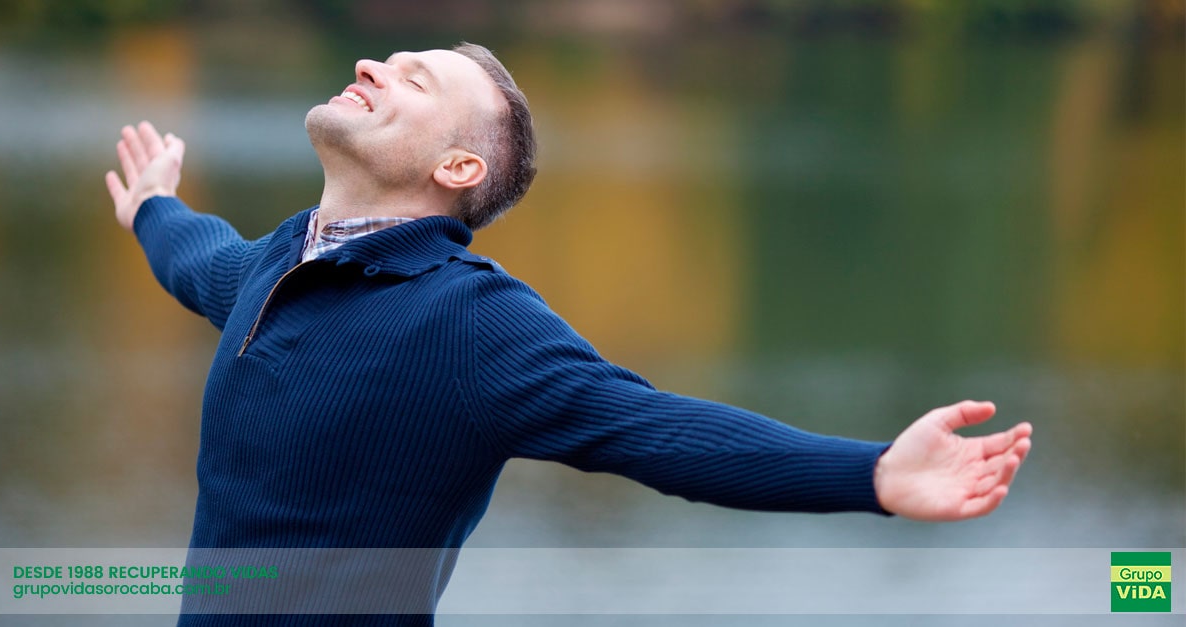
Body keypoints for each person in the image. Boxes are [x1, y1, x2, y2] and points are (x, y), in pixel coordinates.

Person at [104, 43, 1032, 625]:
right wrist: (153, 207)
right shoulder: (281, 264)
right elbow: (201, 260)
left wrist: (870, 474)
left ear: (456, 166)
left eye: (412, 78)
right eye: (386, 60)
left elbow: (653, 427)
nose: (369, 68)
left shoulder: (468, 322)